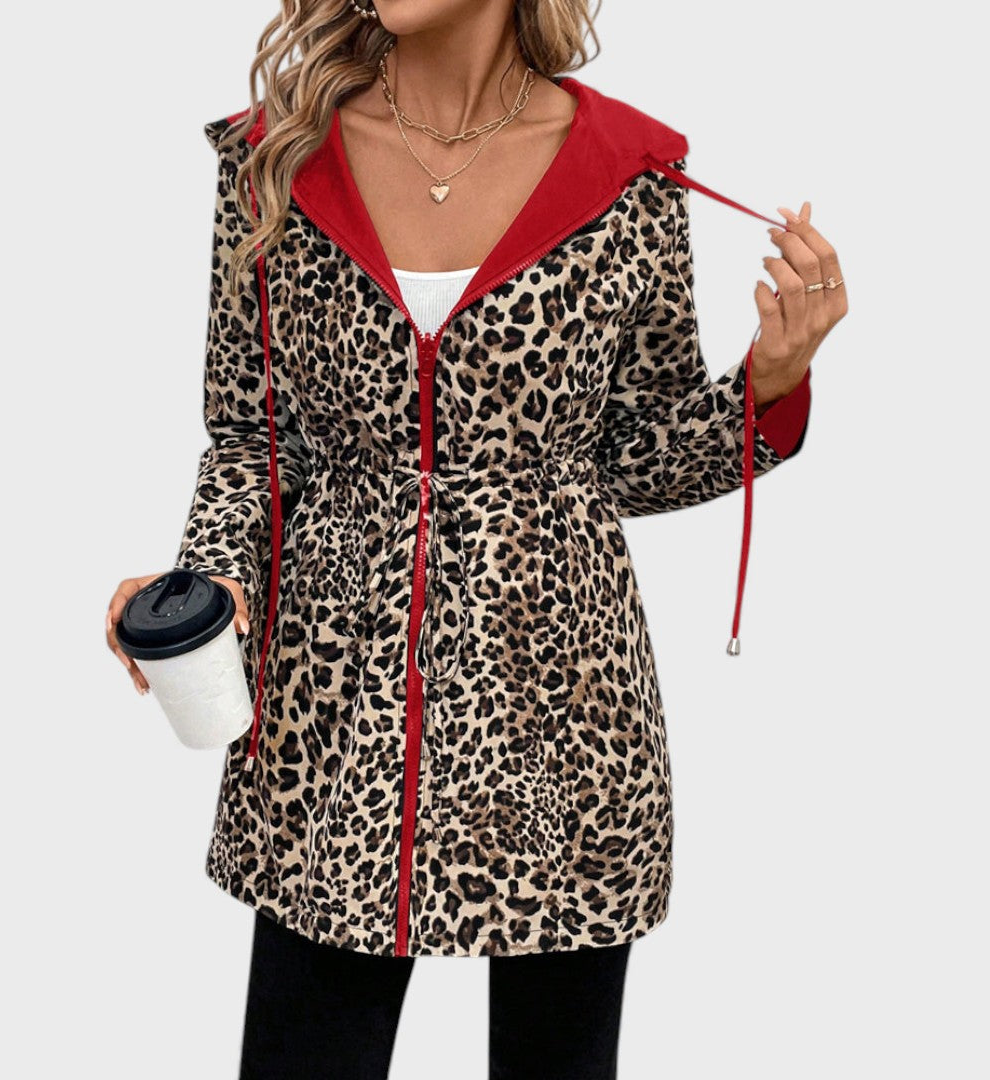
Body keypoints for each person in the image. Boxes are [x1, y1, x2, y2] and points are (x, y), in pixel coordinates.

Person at [106, 2, 847, 1076]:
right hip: (335, 711)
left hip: (565, 716)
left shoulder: (630, 175)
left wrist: (770, 384)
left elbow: (628, 459)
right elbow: (253, 436)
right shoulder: (276, 159)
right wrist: (209, 583)